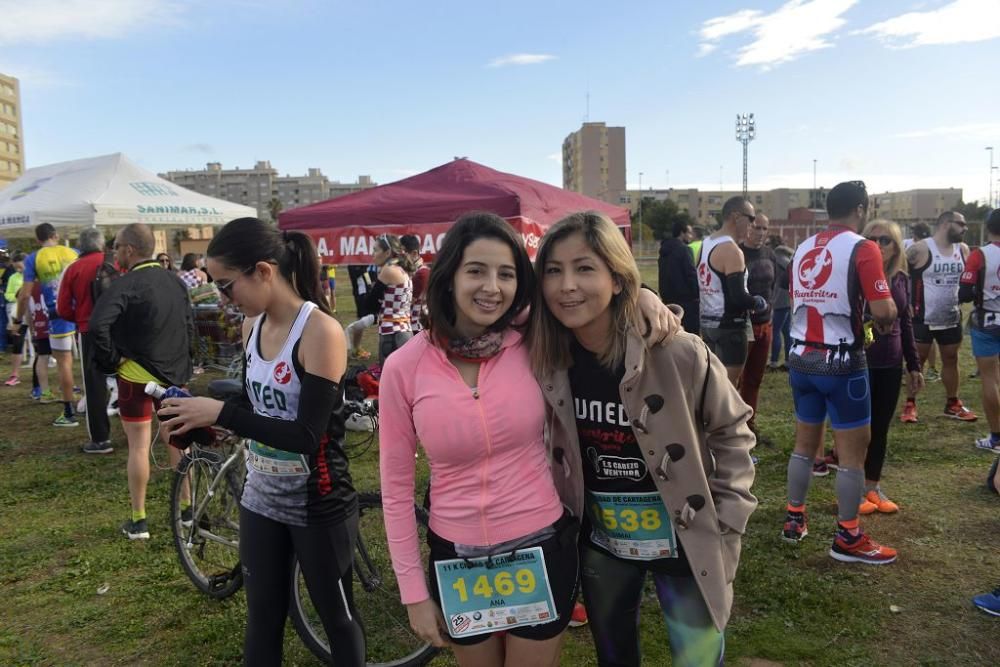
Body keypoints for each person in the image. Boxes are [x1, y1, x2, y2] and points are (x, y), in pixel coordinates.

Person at [379, 211, 678, 667]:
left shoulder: (534, 338)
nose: (492, 288)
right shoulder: (405, 368)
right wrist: (413, 593)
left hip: (540, 546)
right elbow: (395, 491)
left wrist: (642, 297)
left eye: (507, 274)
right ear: (449, 276)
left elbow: (586, 298)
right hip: (457, 558)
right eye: (476, 271)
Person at [532, 211, 757, 666]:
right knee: (614, 657)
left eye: (585, 268)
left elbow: (733, 430)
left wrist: (729, 518)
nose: (567, 285)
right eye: (554, 270)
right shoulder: (544, 358)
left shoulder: (676, 351)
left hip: (686, 536)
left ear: (617, 279)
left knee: (696, 659)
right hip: (604, 543)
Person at [158, 217, 364, 667]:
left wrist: (223, 412)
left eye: (227, 286)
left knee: (338, 621)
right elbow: (259, 416)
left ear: (264, 272)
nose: (221, 298)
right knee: (262, 618)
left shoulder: (320, 331)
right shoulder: (252, 325)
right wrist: (204, 424)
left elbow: (307, 436)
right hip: (261, 498)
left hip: (317, 502)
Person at [781, 180, 899, 564]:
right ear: (861, 209)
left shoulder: (802, 247)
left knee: (804, 445)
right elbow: (883, 311)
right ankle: (848, 536)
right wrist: (886, 317)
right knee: (852, 455)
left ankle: (794, 519)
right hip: (842, 363)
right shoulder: (863, 248)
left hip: (801, 359)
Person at [89, 223, 193, 540]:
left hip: (134, 377)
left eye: (117, 245)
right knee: (178, 442)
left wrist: (111, 360)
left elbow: (97, 326)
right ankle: (188, 511)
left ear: (129, 250)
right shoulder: (175, 281)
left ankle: (139, 520)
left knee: (137, 447)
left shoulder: (125, 284)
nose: (114, 250)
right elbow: (189, 325)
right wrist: (186, 367)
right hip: (173, 376)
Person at [857, 220, 922, 513]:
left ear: (896, 246)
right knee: (859, 427)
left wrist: (914, 365)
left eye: (885, 240)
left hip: (891, 361)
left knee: (881, 426)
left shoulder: (899, 278)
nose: (878, 245)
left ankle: (873, 486)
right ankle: (855, 487)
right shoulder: (856, 274)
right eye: (872, 239)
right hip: (860, 359)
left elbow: (906, 322)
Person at [900, 211, 975, 423]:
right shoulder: (920, 249)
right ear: (945, 224)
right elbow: (899, 275)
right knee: (918, 361)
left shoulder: (962, 249)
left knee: (951, 359)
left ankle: (953, 403)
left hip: (951, 315)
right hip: (922, 316)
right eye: (961, 224)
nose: (965, 228)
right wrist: (905, 303)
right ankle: (910, 404)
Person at [56, 228, 115, 454]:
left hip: (89, 331)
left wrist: (80, 318)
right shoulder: (115, 262)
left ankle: (100, 439)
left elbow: (62, 308)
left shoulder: (73, 268)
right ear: (101, 244)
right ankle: (141, 429)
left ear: (80, 245)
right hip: (119, 329)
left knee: (94, 385)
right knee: (132, 379)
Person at [698, 196, 767, 384]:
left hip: (708, 324)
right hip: (730, 327)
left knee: (712, 384)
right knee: (727, 388)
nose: (753, 225)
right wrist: (757, 302)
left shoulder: (706, 243)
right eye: (751, 219)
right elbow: (737, 296)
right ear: (736, 217)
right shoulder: (731, 250)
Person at [17, 223, 79, 426]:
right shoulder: (73, 252)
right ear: (56, 236)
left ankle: (69, 412)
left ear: (37, 240)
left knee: (64, 363)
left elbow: (25, 294)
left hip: (58, 314)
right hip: (82, 311)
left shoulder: (33, 258)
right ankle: (93, 403)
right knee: (90, 359)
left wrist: (18, 320)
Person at [959, 208, 1000, 453]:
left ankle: (996, 437)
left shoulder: (979, 255)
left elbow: (965, 292)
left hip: (987, 320)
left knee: (989, 378)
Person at [739, 213, 779, 442]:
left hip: (766, 324)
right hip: (744, 325)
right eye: (757, 227)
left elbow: (773, 285)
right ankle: (731, 426)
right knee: (736, 379)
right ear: (748, 227)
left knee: (755, 378)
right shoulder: (738, 253)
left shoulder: (769, 254)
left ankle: (749, 424)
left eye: (765, 228)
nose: (761, 232)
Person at [348, 234, 414, 363]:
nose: (373, 254)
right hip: (405, 330)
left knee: (389, 380)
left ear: (388, 252)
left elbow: (370, 305)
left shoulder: (388, 270)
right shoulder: (402, 269)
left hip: (391, 334)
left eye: (376, 250)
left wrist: (366, 293)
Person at [658, 219, 700, 334]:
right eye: (689, 233)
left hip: (668, 302)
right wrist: (697, 295)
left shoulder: (663, 252)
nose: (691, 236)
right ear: (682, 233)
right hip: (687, 305)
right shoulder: (685, 250)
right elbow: (691, 275)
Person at [769, 241, 794, 370]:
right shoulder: (788, 261)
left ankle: (773, 361)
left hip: (779, 301)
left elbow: (775, 282)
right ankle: (789, 361)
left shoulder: (776, 261)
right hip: (788, 300)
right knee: (787, 331)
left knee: (776, 331)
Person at [3, 253, 25, 386]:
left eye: (20, 267)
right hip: (18, 310)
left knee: (42, 345)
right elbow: (8, 294)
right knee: (17, 341)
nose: (18, 270)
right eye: (16, 267)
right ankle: (14, 374)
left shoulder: (35, 275)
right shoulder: (13, 277)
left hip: (35, 310)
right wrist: (17, 296)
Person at [401, 234, 430, 333]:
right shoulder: (413, 272)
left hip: (416, 328)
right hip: (411, 326)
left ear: (414, 253)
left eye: (402, 254)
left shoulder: (422, 273)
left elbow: (405, 303)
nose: (399, 258)